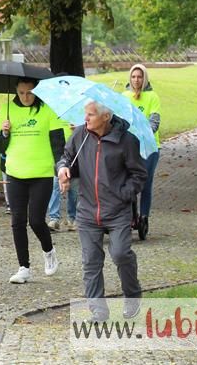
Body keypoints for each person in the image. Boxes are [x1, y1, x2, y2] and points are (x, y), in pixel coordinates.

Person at [57, 101, 147, 321]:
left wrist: (123, 194)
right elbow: (66, 158)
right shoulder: (80, 135)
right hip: (87, 210)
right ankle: (98, 311)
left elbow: (139, 175)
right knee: (91, 261)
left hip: (117, 210)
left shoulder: (127, 141)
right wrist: (63, 170)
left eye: (90, 115)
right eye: (85, 114)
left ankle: (133, 296)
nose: (85, 118)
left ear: (106, 117)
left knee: (121, 254)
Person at [0, 78, 65, 284]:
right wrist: (4, 133)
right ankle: (24, 267)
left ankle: (48, 250)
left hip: (41, 173)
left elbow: (58, 143)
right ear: (16, 91)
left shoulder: (48, 110)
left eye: (29, 92)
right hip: (15, 173)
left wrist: (61, 168)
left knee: (36, 220)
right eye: (21, 93)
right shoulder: (7, 110)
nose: (25, 97)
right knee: (17, 221)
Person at [122, 64, 162, 233]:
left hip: (149, 147)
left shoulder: (152, 97)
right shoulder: (124, 96)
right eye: (133, 77)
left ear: (144, 78)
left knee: (145, 182)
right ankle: (131, 215)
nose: (136, 80)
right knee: (128, 181)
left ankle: (144, 215)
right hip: (129, 147)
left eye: (139, 77)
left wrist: (141, 133)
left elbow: (154, 122)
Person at [46, 123, 78, 231]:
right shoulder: (53, 121)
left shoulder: (79, 124)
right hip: (58, 162)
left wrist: (77, 132)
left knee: (74, 192)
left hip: (75, 164)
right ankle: (54, 218)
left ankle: (72, 218)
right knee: (55, 190)